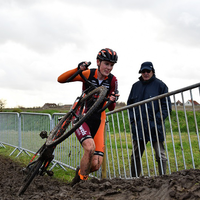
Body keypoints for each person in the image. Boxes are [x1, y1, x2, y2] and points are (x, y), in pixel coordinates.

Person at [57, 48, 119, 186]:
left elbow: (111, 108)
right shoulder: (88, 73)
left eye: (111, 65)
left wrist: (112, 100)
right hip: (82, 115)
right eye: (106, 64)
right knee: (89, 148)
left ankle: (80, 175)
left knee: (96, 164)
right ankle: (82, 185)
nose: (108, 68)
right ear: (98, 62)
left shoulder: (113, 80)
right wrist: (77, 69)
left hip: (98, 119)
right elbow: (61, 79)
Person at [127, 61, 171, 177]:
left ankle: (163, 178)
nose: (145, 73)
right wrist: (133, 120)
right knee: (135, 154)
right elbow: (129, 105)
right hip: (139, 126)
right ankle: (134, 178)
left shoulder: (161, 86)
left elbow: (166, 106)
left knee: (160, 154)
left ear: (153, 72)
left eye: (148, 71)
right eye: (143, 71)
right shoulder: (135, 86)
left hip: (155, 126)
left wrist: (156, 119)